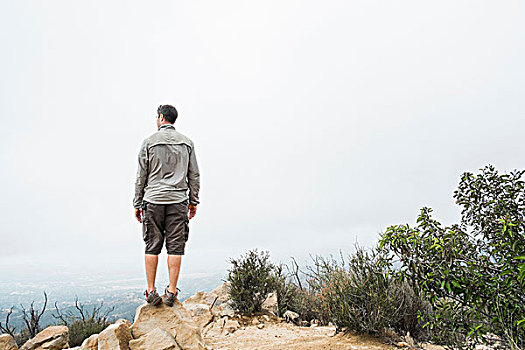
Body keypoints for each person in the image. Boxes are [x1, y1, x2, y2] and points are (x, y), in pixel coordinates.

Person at [133, 104, 200, 307]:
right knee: (175, 246)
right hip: (178, 201)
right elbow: (194, 175)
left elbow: (141, 176)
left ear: (161, 118)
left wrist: (137, 202)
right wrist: (193, 201)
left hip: (153, 200)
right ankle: (171, 291)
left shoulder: (148, 142)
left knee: (152, 244)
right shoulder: (187, 143)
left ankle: (151, 290)